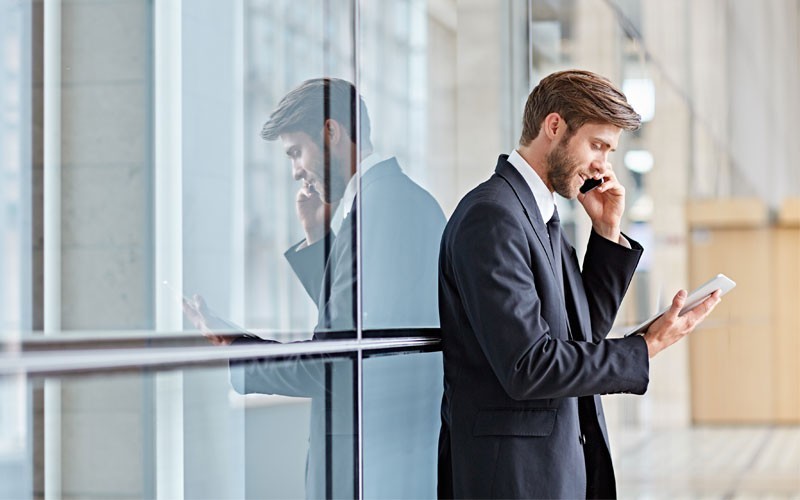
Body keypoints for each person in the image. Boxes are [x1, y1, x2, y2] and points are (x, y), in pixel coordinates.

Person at [436, 69, 722, 499]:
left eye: (609, 151)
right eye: (598, 145)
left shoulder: (540, 215)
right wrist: (645, 348)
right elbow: (529, 366)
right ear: (554, 126)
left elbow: (580, 335)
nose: (603, 166)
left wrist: (607, 232)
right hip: (511, 478)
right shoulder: (493, 216)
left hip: (551, 466)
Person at [184, 77, 446, 499]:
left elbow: (335, 364)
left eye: (296, 152)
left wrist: (238, 351)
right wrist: (318, 239)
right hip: (394, 461)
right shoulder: (403, 201)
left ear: (331, 132)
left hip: (371, 470)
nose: (295, 171)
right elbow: (360, 324)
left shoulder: (378, 213)